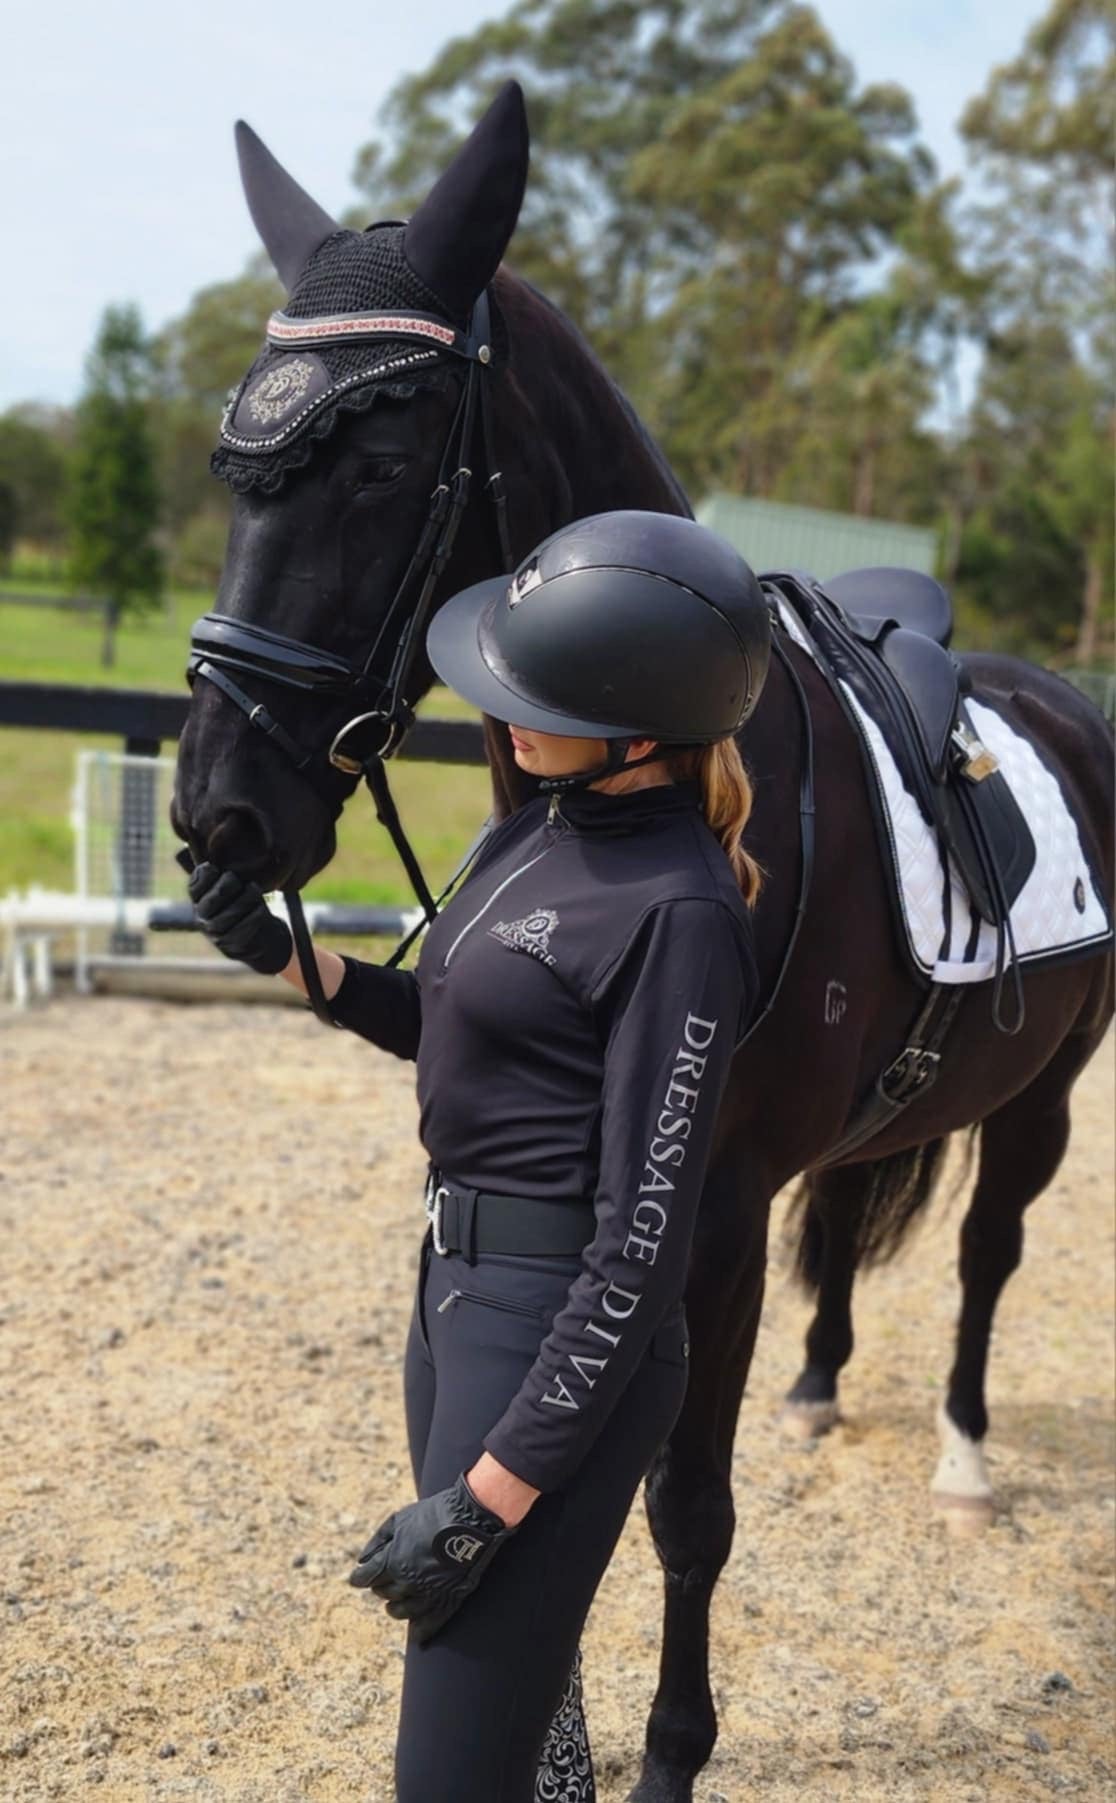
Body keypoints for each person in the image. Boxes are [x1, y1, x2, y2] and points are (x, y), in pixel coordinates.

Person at [187, 509, 770, 1802]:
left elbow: (642, 1248)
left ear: (642, 728)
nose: (504, 716)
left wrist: (490, 1497)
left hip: (557, 1330)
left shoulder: (677, 914)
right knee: (522, 1733)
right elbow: (467, 1026)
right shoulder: (535, 830)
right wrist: (289, 958)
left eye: (540, 697)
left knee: (446, 1775)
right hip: (451, 1296)